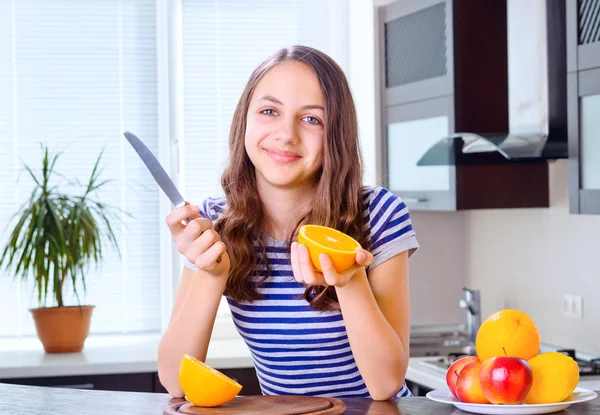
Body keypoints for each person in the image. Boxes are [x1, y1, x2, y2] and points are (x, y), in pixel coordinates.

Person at [157, 45, 419, 401]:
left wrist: (350, 280)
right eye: (269, 111)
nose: (286, 134)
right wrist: (211, 274)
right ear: (244, 121)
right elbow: (175, 380)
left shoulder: (379, 215)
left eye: (311, 119)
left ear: (336, 134)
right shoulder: (214, 222)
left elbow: (386, 384)